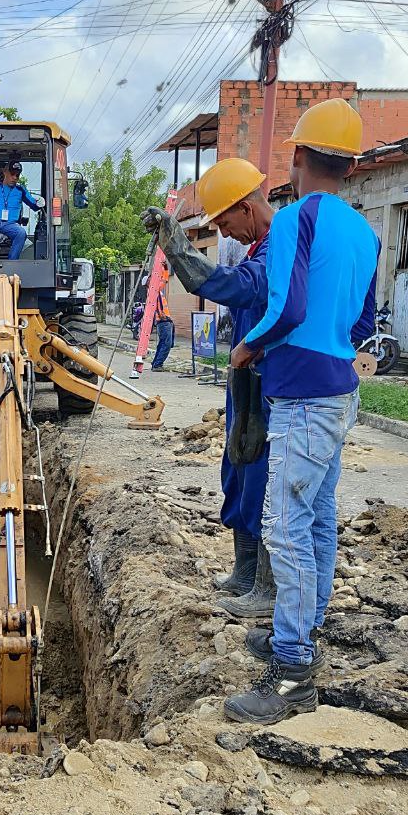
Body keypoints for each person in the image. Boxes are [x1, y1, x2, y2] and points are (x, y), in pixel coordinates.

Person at [217, 99, 379, 726]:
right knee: (318, 518)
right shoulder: (365, 231)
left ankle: (291, 672)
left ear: (300, 157)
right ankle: (304, 629)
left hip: (303, 396)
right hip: (340, 390)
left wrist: (249, 347)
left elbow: (286, 308)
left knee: (284, 526)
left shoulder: (293, 220)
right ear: (351, 166)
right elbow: (362, 323)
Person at [141, 158, 276, 612]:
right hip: (244, 381)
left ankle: (264, 586)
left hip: (268, 383)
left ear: (246, 207)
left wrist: (177, 245)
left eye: (224, 222)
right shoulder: (256, 248)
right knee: (237, 466)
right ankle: (244, 571)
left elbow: (230, 286)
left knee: (260, 475)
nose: (224, 233)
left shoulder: (277, 250)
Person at [150, 266, 176, 371]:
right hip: (163, 321)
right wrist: (161, 314)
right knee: (166, 344)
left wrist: (165, 268)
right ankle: (157, 364)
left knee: (162, 343)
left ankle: (155, 363)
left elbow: (164, 280)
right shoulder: (153, 291)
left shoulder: (155, 290)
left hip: (164, 321)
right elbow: (164, 280)